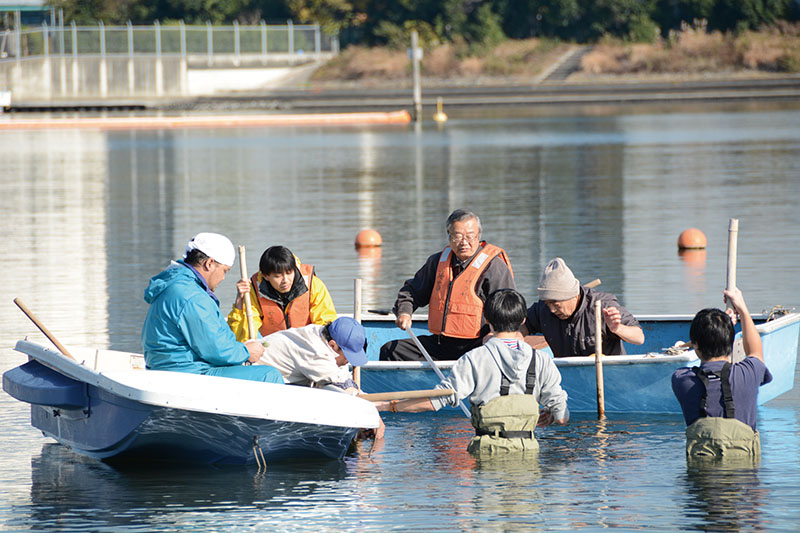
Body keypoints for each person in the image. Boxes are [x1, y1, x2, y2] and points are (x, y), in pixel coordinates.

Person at [374, 289, 569, 454]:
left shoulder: (474, 359)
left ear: (486, 319)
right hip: (528, 453)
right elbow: (561, 417)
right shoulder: (543, 360)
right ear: (523, 319)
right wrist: (551, 415)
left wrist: (386, 406)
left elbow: (435, 401)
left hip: (488, 452)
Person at [142, 232, 283, 384]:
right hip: (187, 373)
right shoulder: (192, 296)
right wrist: (246, 352)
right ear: (209, 263)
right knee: (269, 375)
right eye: (224, 271)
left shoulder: (175, 284)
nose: (223, 278)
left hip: (168, 368)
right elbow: (216, 350)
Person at [379, 209, 515, 361]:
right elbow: (411, 291)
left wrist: (494, 335)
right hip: (441, 343)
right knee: (391, 350)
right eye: (457, 237)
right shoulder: (437, 262)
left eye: (470, 236)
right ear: (449, 237)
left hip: (478, 345)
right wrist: (404, 312)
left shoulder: (494, 267)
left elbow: (508, 310)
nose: (464, 242)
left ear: (478, 236)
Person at [671, 288, 770, 458]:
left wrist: (713, 333)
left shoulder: (681, 379)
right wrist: (743, 310)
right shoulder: (749, 373)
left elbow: (697, 349)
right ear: (731, 341)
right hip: (743, 476)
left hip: (700, 479)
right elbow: (755, 351)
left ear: (696, 346)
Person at [522, 257, 644, 357]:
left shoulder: (603, 307)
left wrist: (617, 329)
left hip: (608, 376)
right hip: (567, 378)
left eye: (556, 304)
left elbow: (639, 338)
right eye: (547, 303)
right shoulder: (543, 310)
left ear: (574, 296)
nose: (552, 310)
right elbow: (520, 328)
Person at [228, 245, 337, 341]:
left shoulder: (313, 285)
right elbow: (243, 335)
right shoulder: (254, 290)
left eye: (289, 273)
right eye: (277, 276)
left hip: (309, 346)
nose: (285, 280)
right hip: (273, 350)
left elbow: (326, 323)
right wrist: (239, 301)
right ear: (266, 276)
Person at [257, 317, 366, 391]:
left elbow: (341, 373)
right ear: (332, 345)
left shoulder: (319, 331)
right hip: (257, 382)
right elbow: (341, 383)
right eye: (348, 356)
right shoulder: (315, 351)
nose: (349, 362)